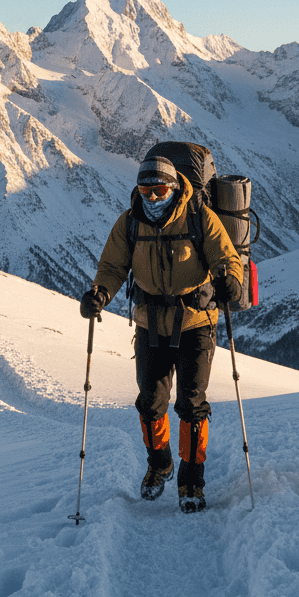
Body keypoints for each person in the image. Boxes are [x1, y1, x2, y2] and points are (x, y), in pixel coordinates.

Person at [80, 152, 243, 512]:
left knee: (191, 403)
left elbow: (227, 257)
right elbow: (113, 266)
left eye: (159, 190)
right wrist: (100, 294)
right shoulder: (130, 222)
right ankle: (160, 463)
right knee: (151, 401)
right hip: (150, 322)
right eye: (145, 191)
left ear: (174, 188)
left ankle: (191, 481)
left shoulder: (199, 217)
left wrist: (230, 280)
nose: (152, 198)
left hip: (196, 322)